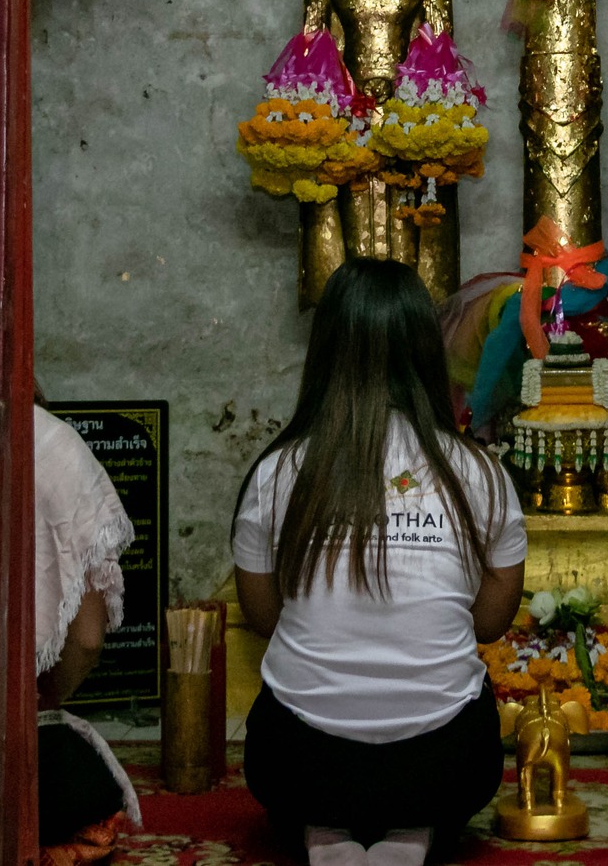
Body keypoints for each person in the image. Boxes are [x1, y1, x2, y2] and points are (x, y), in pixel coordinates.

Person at [233, 259, 527, 866]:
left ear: (325, 352)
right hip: (443, 767)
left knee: (284, 724)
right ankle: (412, 828)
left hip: (299, 765)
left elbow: (263, 617)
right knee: (467, 712)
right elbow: (489, 622)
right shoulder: (482, 474)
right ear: (428, 351)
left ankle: (326, 828)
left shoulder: (276, 471)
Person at [34, 396, 141, 861]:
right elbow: (86, 637)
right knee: (81, 792)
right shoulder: (52, 443)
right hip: (7, 737)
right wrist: (38, 704)